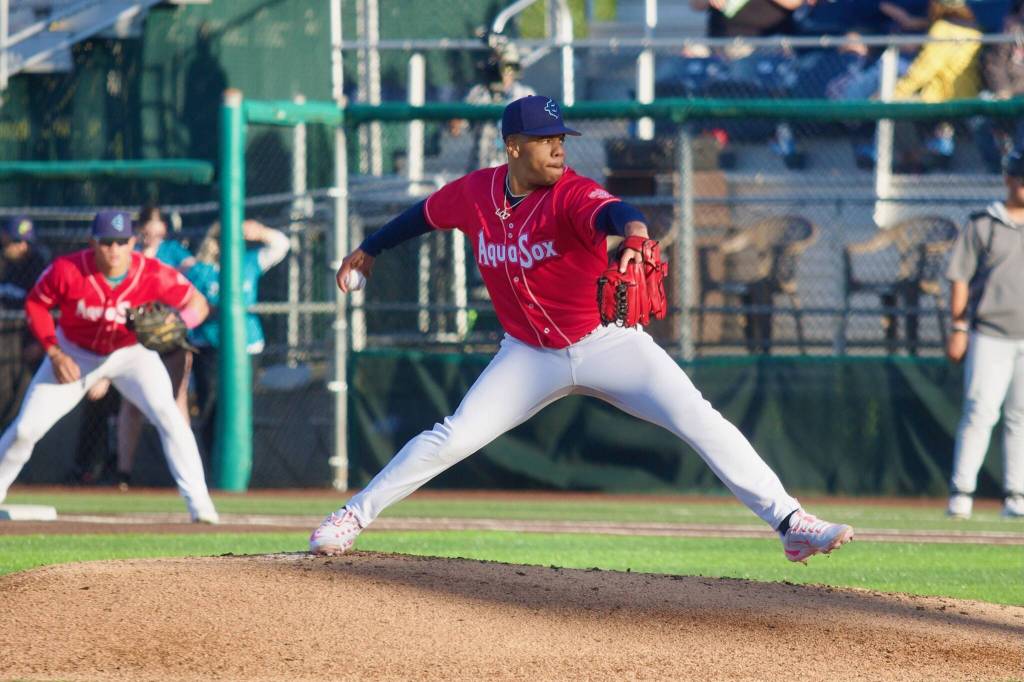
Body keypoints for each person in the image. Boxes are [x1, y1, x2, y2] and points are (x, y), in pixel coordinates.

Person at [309, 95, 855, 562]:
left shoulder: (572, 193)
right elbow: (423, 215)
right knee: (454, 436)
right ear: (513, 147)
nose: (558, 149)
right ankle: (351, 516)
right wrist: (370, 248)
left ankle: (791, 523)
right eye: (545, 140)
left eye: (560, 139)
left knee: (699, 418)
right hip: (527, 355)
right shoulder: (476, 193)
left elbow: (619, 212)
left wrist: (636, 235)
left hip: (606, 342)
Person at [0, 210, 219, 523]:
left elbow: (197, 303)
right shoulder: (67, 270)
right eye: (106, 242)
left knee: (169, 416)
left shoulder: (151, 272)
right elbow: (36, 304)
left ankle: (201, 505)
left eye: (121, 241)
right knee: (25, 429)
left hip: (131, 354)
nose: (114, 249)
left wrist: (181, 323)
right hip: (74, 352)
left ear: (132, 242)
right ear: (92, 242)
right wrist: (54, 352)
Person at [944, 150, 1024, 520]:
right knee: (980, 411)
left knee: (1020, 417)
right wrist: (958, 327)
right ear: (1008, 180)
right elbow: (959, 276)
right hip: (989, 332)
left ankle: (1016, 495)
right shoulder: (984, 223)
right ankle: (961, 494)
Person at [185, 219, 290, 464]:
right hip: (209, 346)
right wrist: (205, 311)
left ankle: (240, 466)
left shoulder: (248, 262)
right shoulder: (202, 270)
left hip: (246, 346)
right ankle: (214, 465)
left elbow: (282, 245)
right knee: (210, 406)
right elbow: (190, 306)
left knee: (239, 407)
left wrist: (260, 231)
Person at [114, 206, 195, 490]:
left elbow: (192, 276)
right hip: (136, 338)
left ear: (164, 229)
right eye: (146, 224)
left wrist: (180, 320)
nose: (150, 229)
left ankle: (186, 472)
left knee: (176, 400)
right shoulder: (130, 254)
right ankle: (123, 473)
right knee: (131, 403)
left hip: (168, 338)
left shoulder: (173, 251)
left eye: (156, 224)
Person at [449, 40, 536, 172]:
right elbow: (456, 129)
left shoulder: (525, 94)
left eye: (509, 67)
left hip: (514, 171)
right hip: (482, 168)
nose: (505, 73)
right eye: (501, 66)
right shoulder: (479, 93)